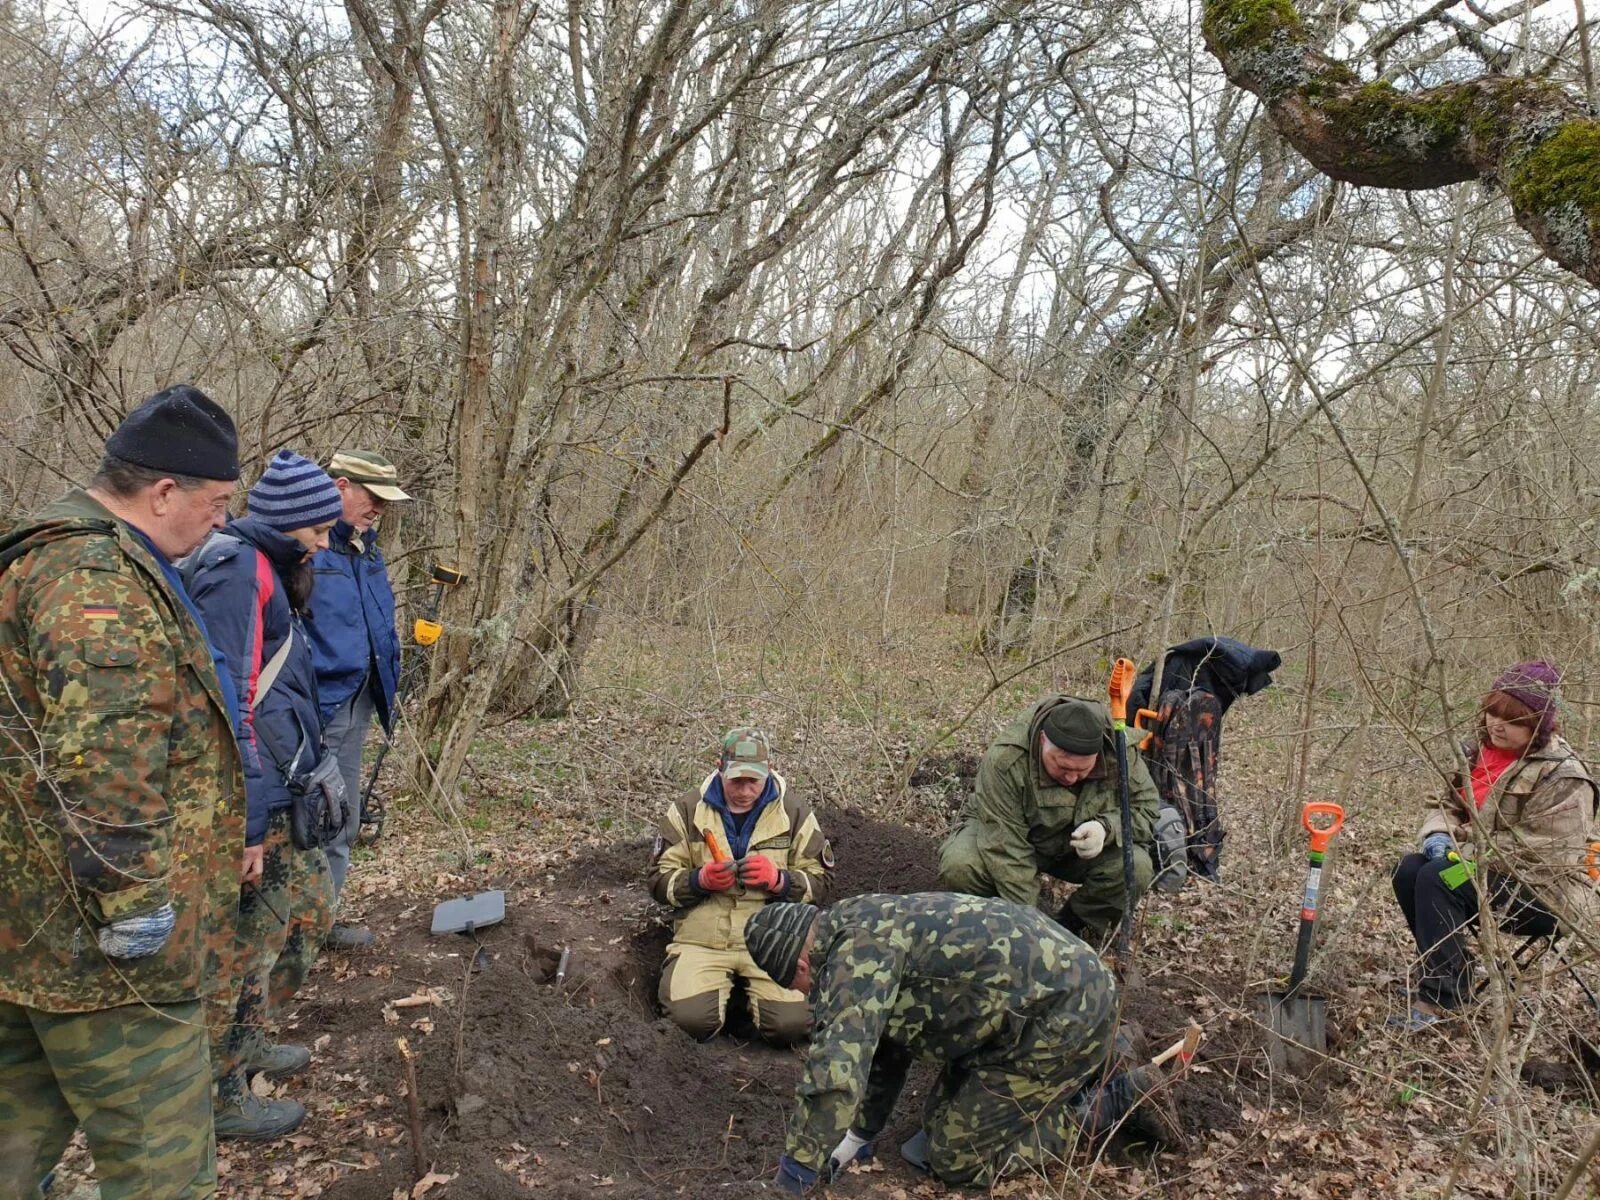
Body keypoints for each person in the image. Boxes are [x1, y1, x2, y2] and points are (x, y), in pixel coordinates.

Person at [0, 386, 245, 1200]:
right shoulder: (92, 578)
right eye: (213, 505)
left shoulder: (38, 556)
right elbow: (106, 757)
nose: (220, 523)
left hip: (31, 935)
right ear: (164, 492)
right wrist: (135, 903)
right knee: (161, 1172)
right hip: (108, 962)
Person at [745, 893, 1182, 1194]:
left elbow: (837, 1069)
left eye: (799, 984)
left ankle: (1113, 1100)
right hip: (1034, 1009)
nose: (806, 994)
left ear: (801, 962)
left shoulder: (855, 957)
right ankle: (1107, 1051)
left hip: (1062, 1018)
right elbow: (887, 1046)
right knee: (931, 1130)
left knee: (956, 1159)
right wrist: (859, 1135)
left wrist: (797, 1171)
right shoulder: (859, 919)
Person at [184, 451, 345, 1137]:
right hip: (259, 797)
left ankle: (247, 1040)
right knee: (246, 946)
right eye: (318, 528)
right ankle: (221, 1090)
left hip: (285, 785)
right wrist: (249, 821)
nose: (326, 542)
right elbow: (230, 704)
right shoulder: (238, 574)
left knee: (302, 921)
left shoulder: (272, 571)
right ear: (286, 522)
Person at [1391, 662, 1599, 1029]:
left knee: (1440, 877)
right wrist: (1438, 834)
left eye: (1514, 720)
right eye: (1492, 712)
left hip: (1545, 893)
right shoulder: (1476, 754)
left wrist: (1464, 848)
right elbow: (1447, 806)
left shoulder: (1564, 774)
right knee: (1409, 869)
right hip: (1479, 869)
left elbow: (1547, 853)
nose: (1497, 725)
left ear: (1538, 725)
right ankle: (1454, 972)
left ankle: (1441, 1001)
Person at [649, 727, 833, 1043]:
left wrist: (780, 881)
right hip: (702, 936)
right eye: (736, 781)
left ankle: (750, 1011)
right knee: (688, 1022)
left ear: (770, 771)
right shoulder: (687, 809)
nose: (745, 791)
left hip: (775, 935)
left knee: (792, 1025)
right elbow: (657, 880)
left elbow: (821, 883)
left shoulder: (795, 812)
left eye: (754, 782)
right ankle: (719, 1004)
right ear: (720, 769)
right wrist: (699, 880)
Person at [937, 695, 1160, 944]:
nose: (1072, 778)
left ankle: (1074, 930)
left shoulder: (1119, 751)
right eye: (1062, 768)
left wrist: (1105, 828)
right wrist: (1031, 931)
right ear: (1044, 741)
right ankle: (992, 929)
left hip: (1074, 846)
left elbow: (1147, 809)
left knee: (1136, 867)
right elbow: (1005, 847)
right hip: (1009, 833)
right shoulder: (1007, 759)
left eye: (1082, 770)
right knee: (961, 864)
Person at [304, 449, 410, 949]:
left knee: (338, 818)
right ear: (341, 485)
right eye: (374, 499)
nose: (380, 511)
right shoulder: (306, 545)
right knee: (308, 820)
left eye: (387, 504)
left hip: (359, 702)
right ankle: (294, 931)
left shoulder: (367, 549)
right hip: (317, 706)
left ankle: (319, 924)